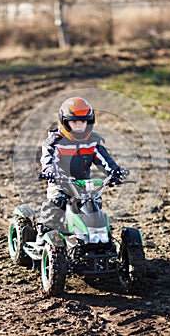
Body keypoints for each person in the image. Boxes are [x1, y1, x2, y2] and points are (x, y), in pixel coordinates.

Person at [36, 97, 127, 244]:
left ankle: (94, 237)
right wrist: (50, 171)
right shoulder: (54, 143)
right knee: (56, 201)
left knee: (94, 205)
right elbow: (48, 160)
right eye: (74, 122)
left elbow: (104, 160)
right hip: (60, 181)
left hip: (84, 184)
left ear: (89, 122)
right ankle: (44, 230)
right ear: (64, 122)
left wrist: (114, 171)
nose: (79, 126)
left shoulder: (92, 142)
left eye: (83, 122)